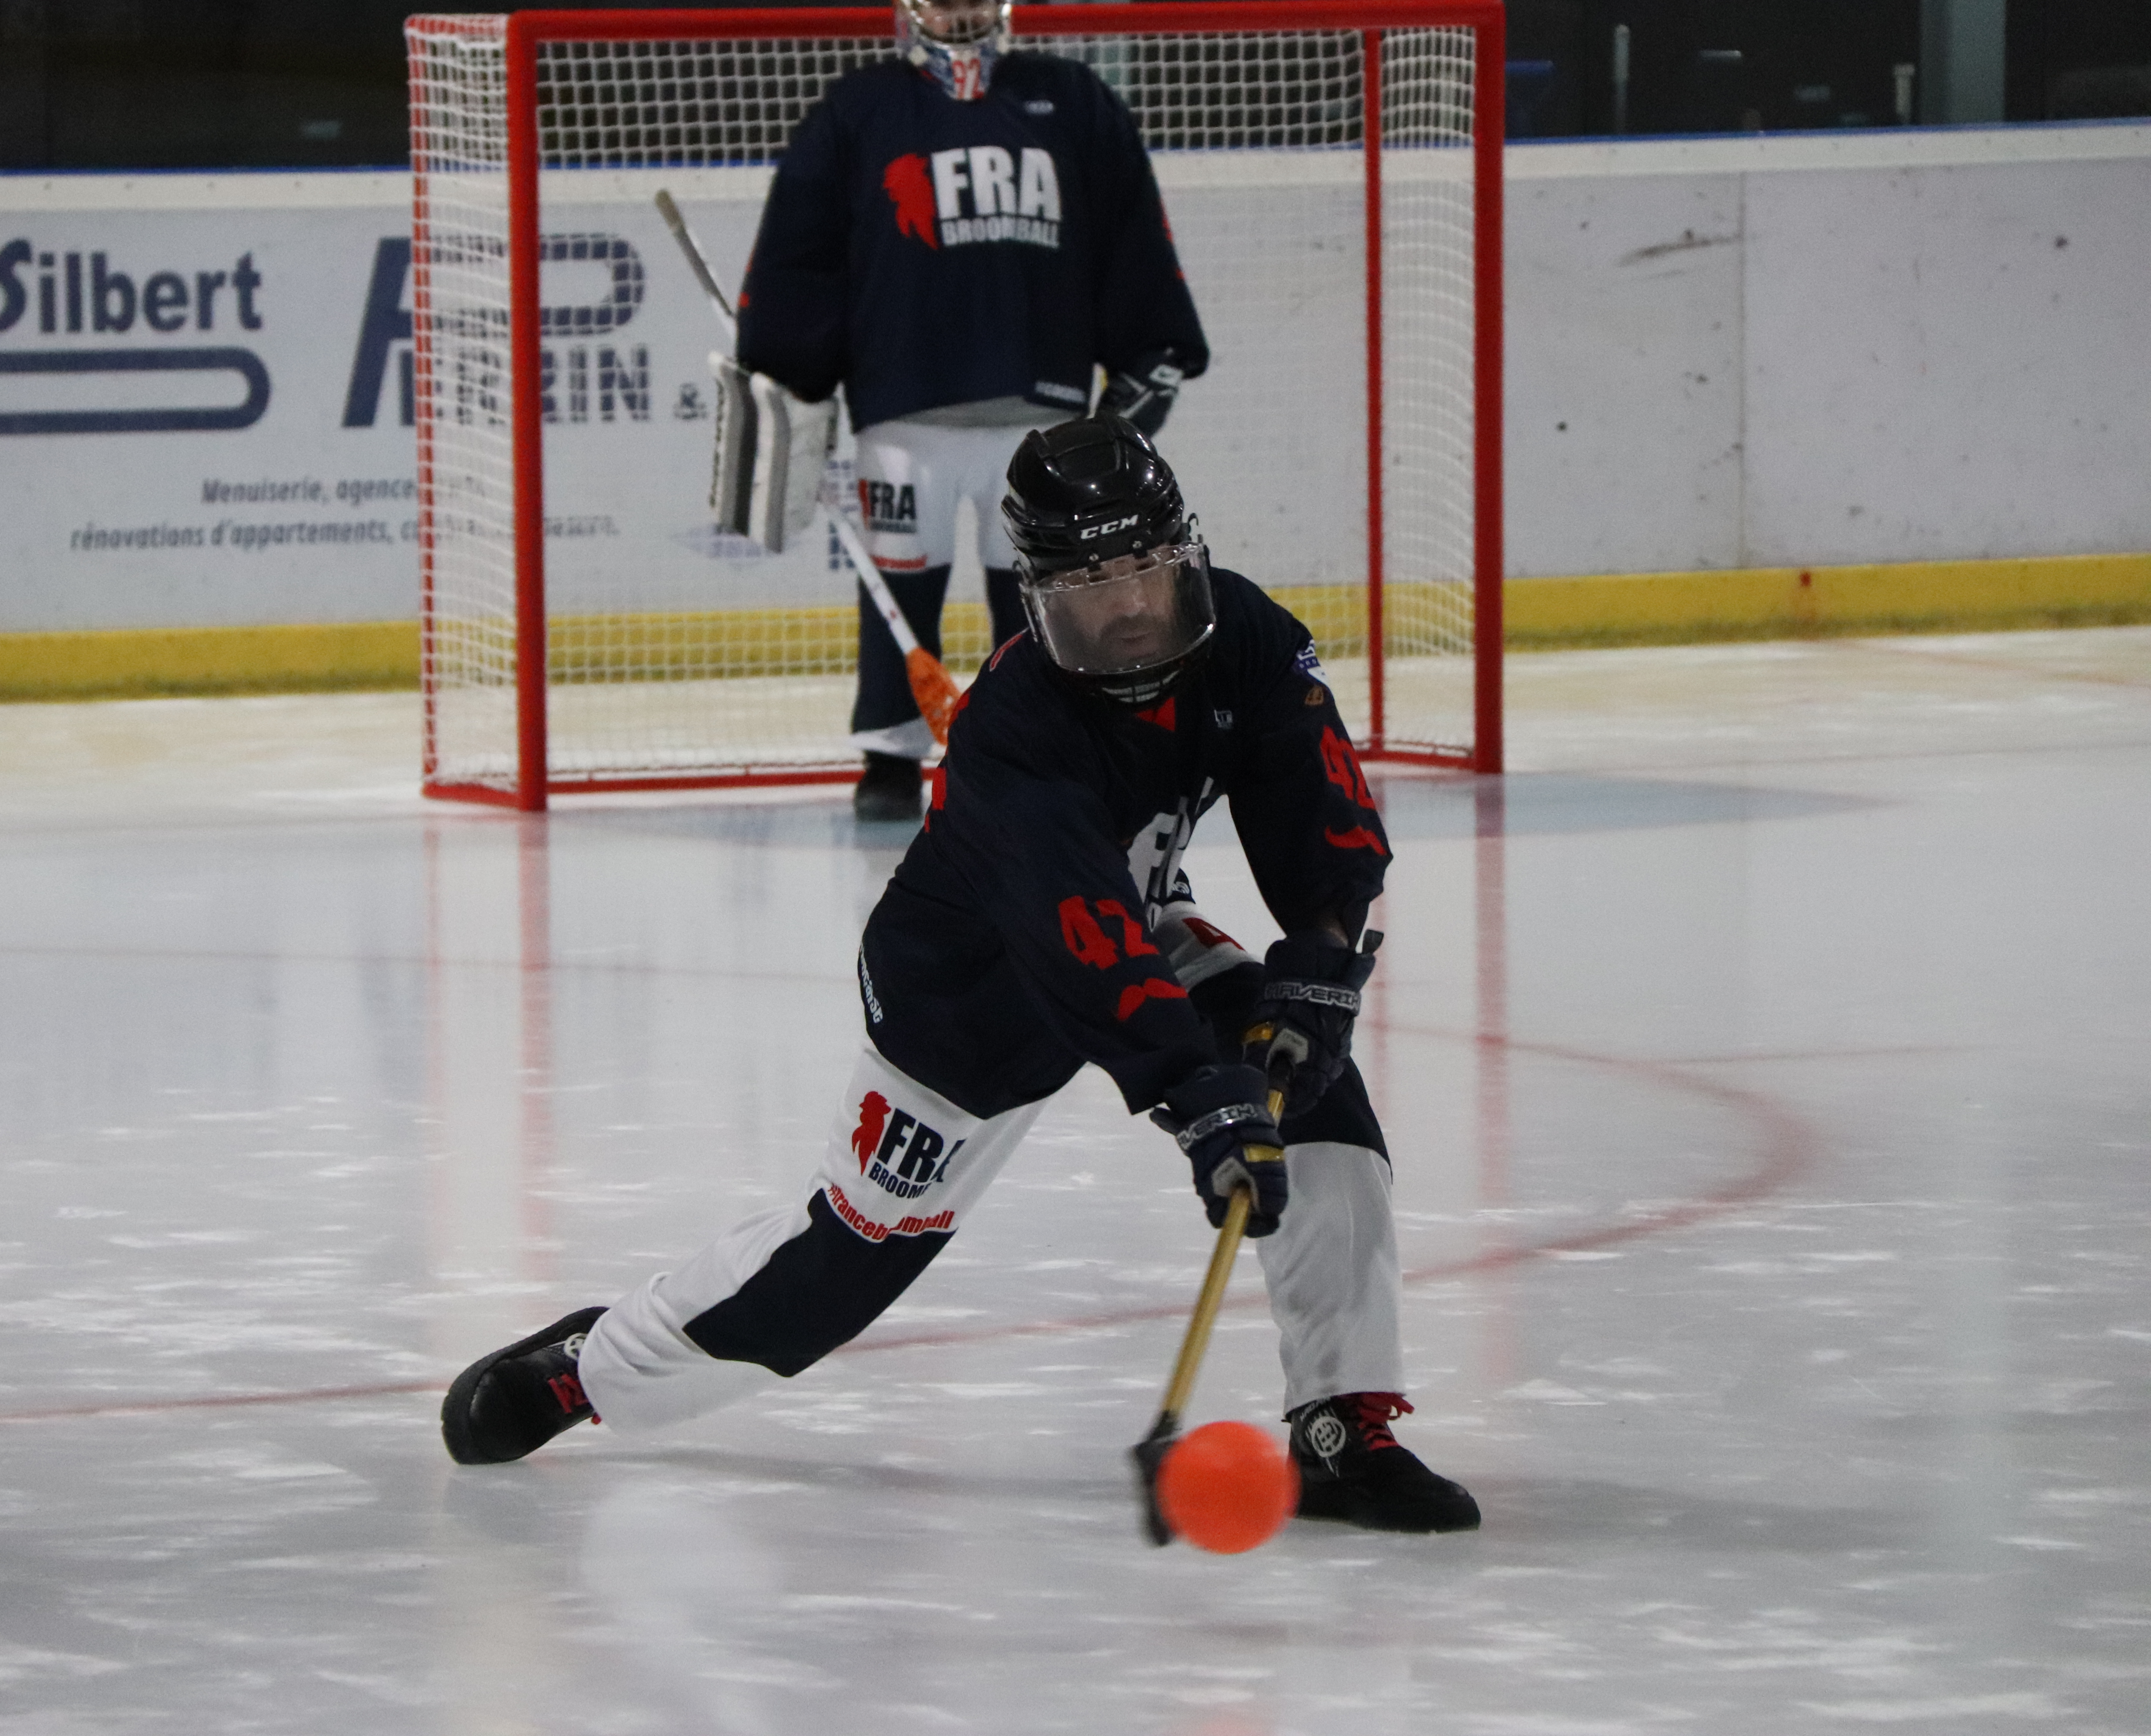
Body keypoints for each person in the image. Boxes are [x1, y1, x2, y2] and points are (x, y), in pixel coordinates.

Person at [441, 418, 1479, 1535]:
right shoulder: (1016, 732)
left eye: (1146, 571)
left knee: (1318, 1104)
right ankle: (590, 1366)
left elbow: (1314, 797)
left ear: (1186, 553)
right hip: (973, 989)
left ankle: (1342, 1424)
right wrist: (1198, 1093)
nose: (1129, 610)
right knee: (835, 1278)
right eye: (1091, 587)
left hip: (1136, 923)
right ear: (1035, 599)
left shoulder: (1247, 634)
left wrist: (1321, 963)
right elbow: (1074, 936)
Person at [732, 0, 1209, 822]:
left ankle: (1032, 744)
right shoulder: (861, 109)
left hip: (1041, 409)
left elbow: (1130, 232)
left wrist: (1152, 352)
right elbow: (802, 250)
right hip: (902, 403)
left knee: (1035, 589)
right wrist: (785, 364)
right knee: (903, 572)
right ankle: (890, 752)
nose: (960, 14)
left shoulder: (1073, 100)